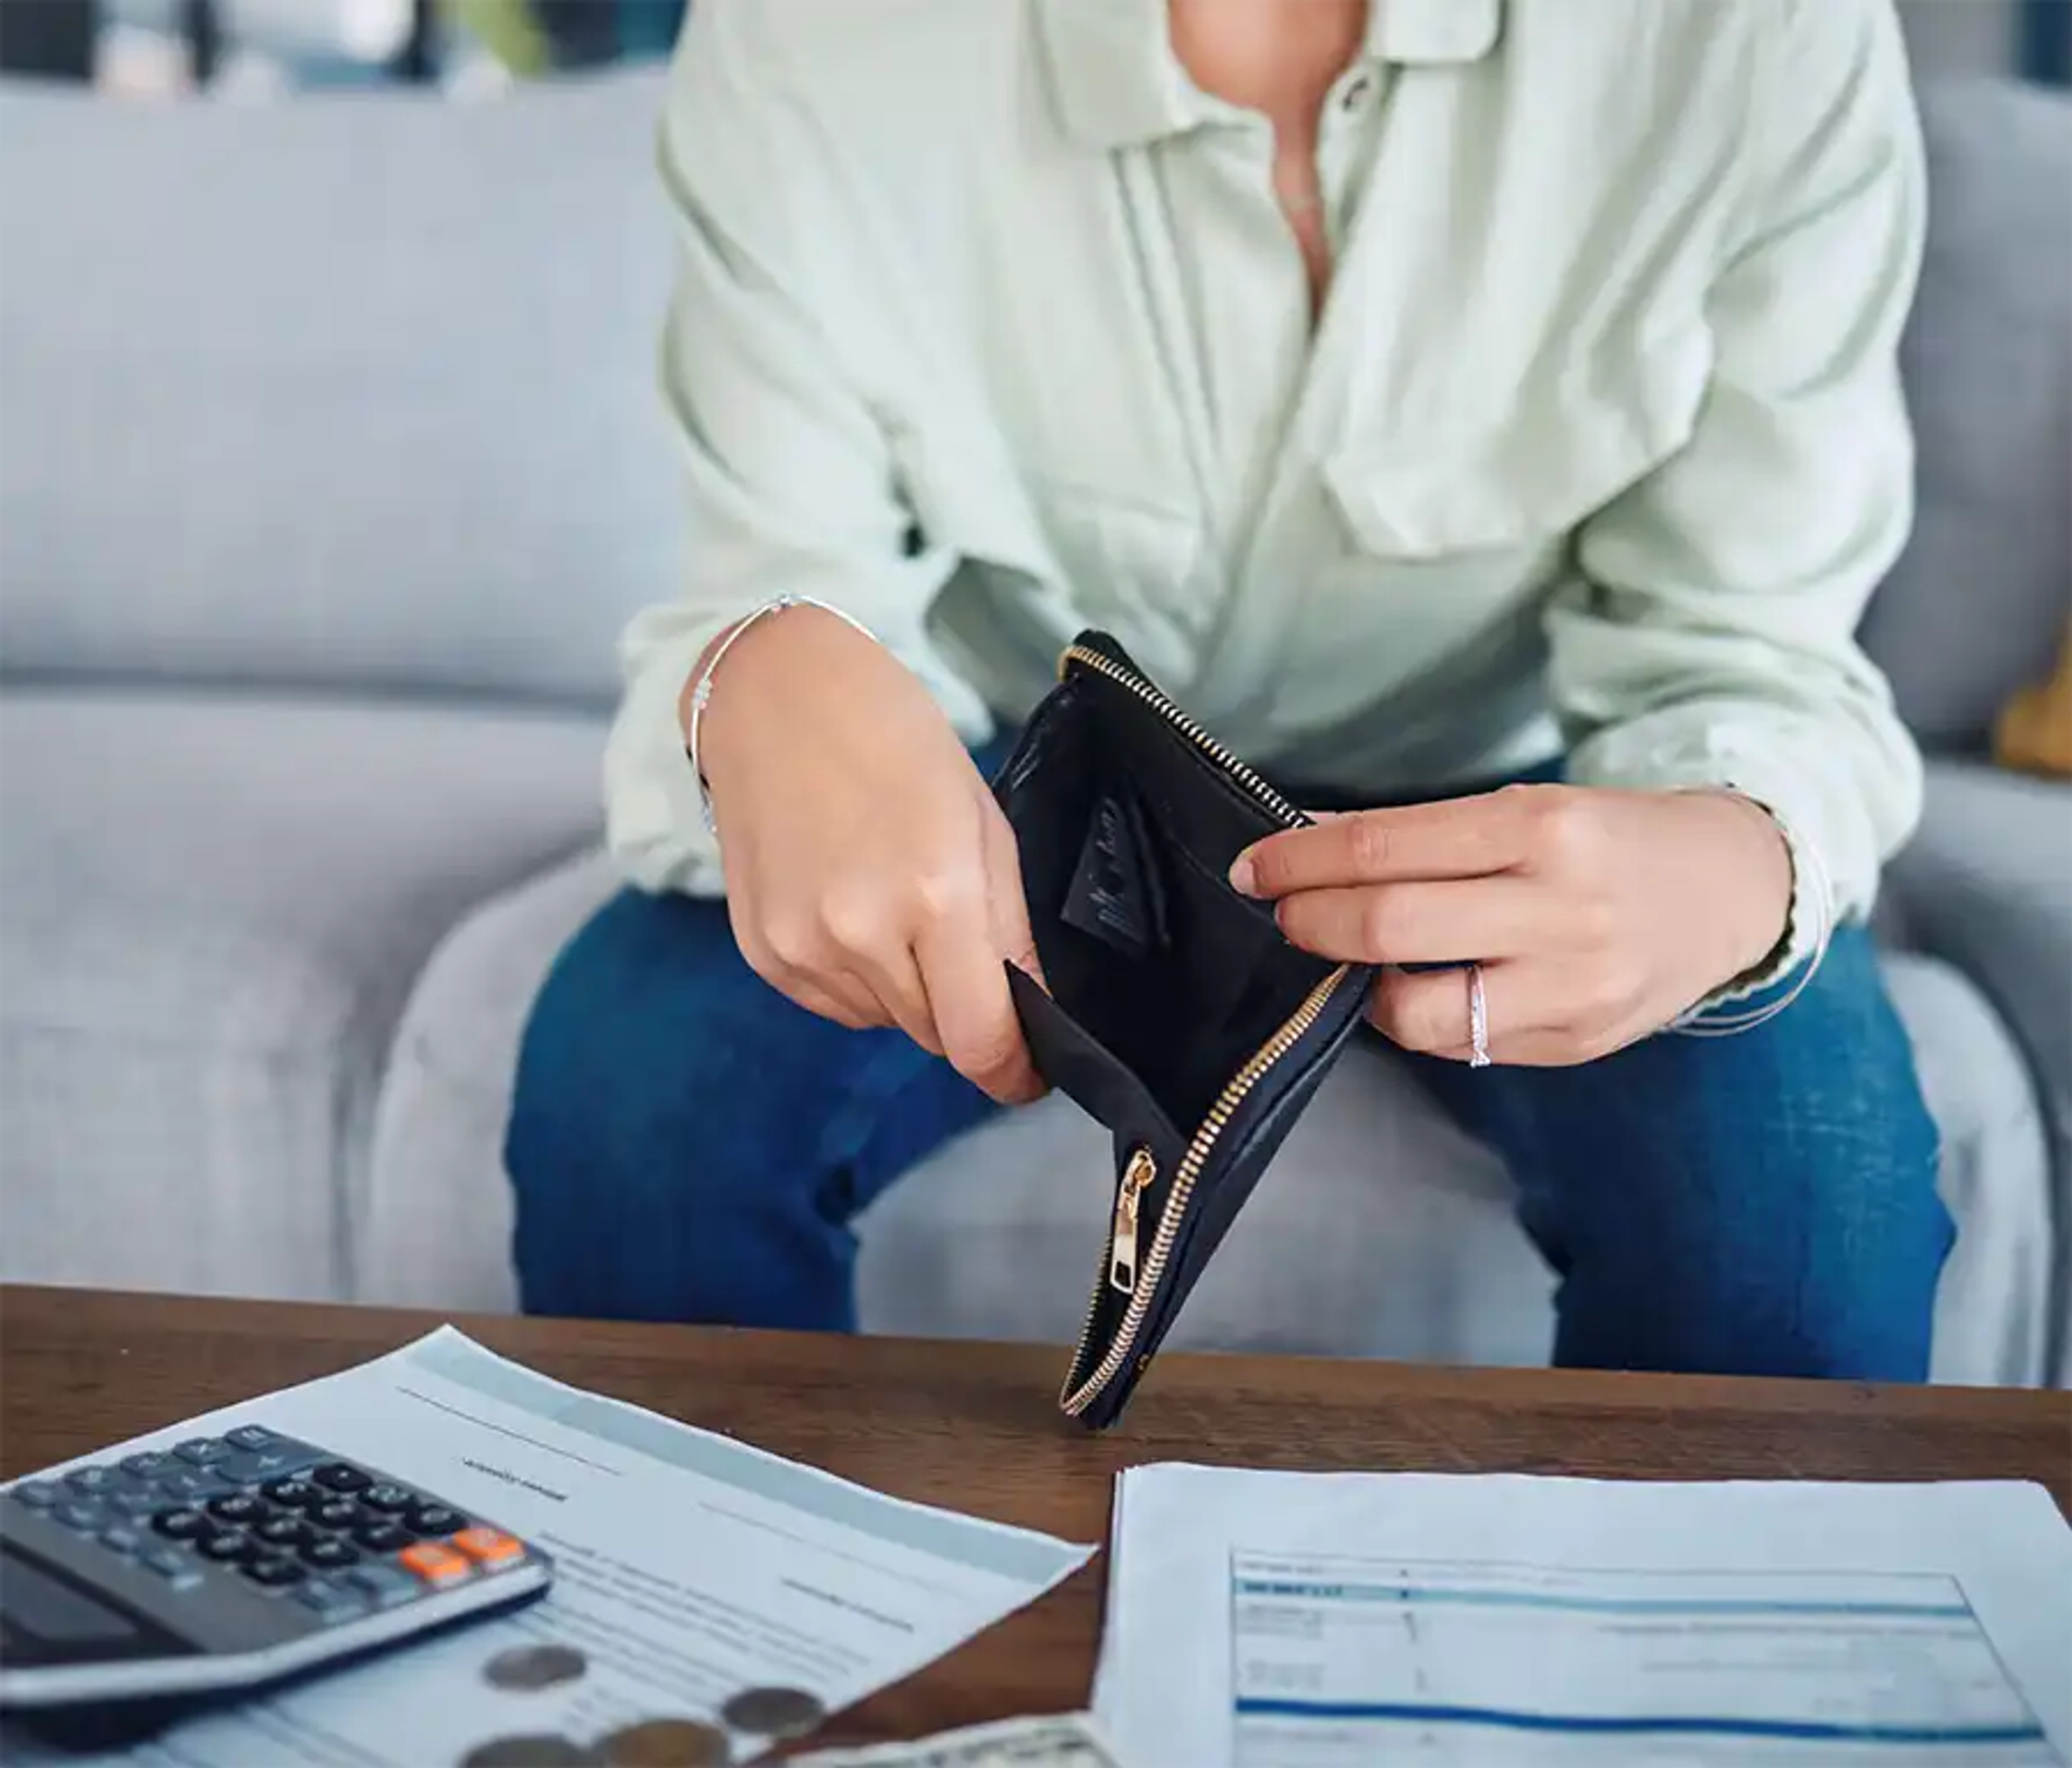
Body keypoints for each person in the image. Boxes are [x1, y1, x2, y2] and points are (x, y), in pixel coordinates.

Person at [506, 0, 1954, 1381]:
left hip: (1544, 783)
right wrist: (755, 674)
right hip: (1012, 773)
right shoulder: (804, 41)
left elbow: (1749, 644)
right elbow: (788, 575)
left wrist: (1739, 851)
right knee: (633, 1100)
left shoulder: (1761, 39)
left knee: (1813, 1217)